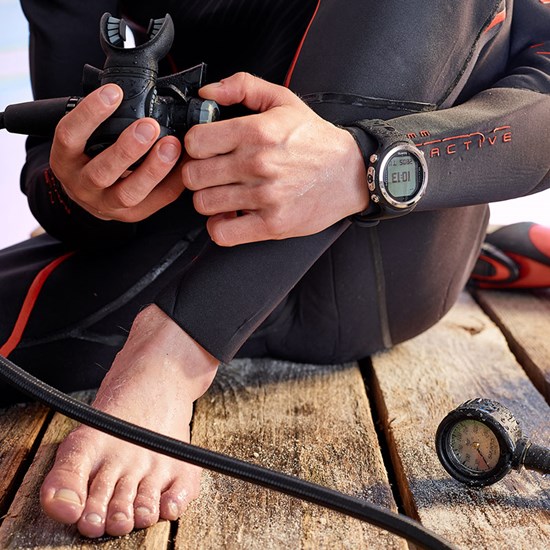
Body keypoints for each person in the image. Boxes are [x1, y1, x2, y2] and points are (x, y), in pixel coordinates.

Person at [0, 0, 549, 539]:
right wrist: (85, 195)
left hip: (380, 262)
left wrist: (358, 165)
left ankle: (171, 356)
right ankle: (485, 251)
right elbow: (50, 162)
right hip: (183, 243)